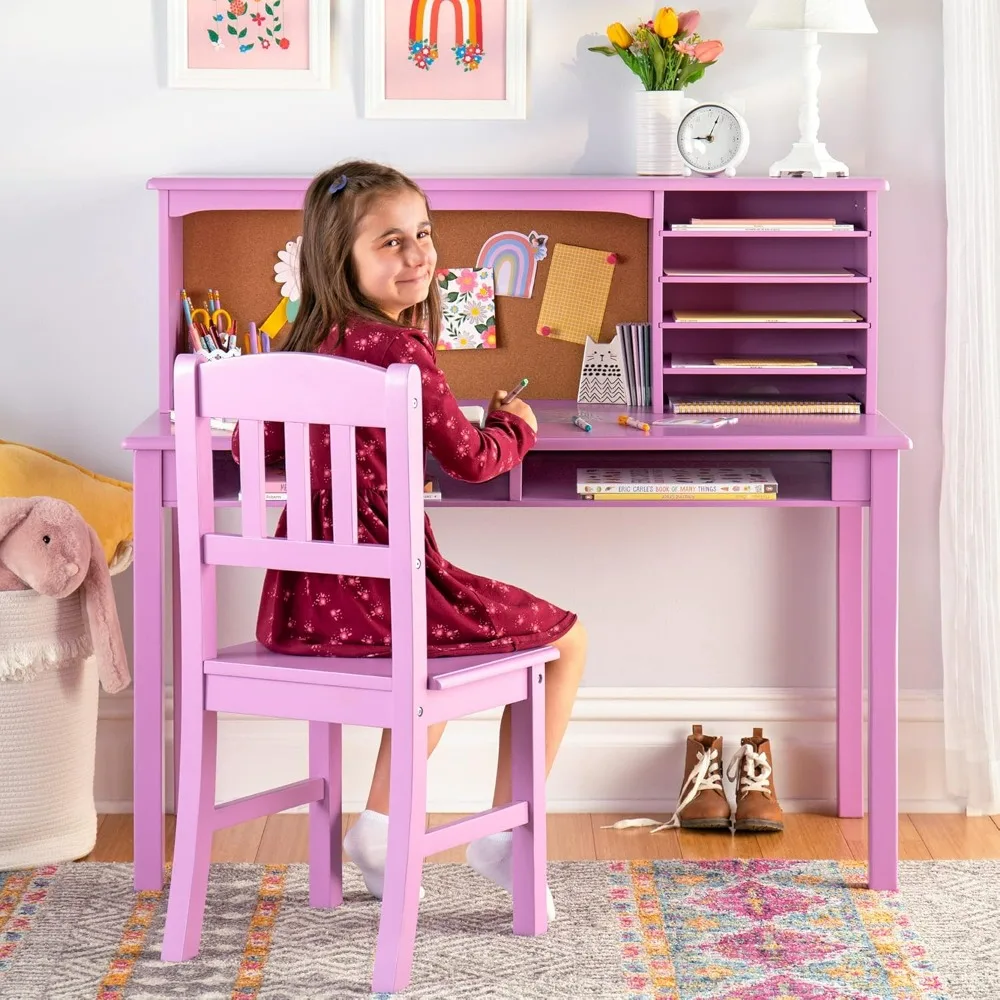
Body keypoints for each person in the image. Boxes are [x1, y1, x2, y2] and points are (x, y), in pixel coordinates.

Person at [232, 160, 587, 919]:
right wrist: (513, 426)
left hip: (304, 607)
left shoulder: (298, 352)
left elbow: (246, 451)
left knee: (446, 651)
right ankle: (504, 840)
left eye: (422, 233)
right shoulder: (402, 356)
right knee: (567, 640)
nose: (418, 255)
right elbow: (474, 461)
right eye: (391, 242)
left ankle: (381, 828)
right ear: (342, 261)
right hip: (387, 604)